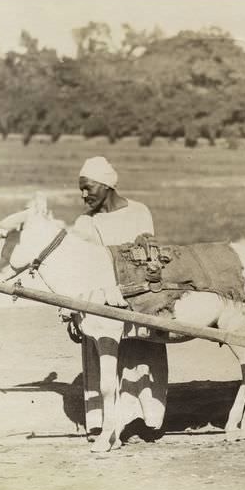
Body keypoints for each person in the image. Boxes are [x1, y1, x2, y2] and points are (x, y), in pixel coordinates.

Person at [71, 156, 168, 444]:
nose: (84, 195)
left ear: (106, 185)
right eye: (81, 190)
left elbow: (148, 253)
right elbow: (80, 268)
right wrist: (71, 312)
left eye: (88, 188)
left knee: (142, 356)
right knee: (103, 357)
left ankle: (143, 420)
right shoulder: (85, 223)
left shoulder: (139, 212)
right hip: (101, 301)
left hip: (137, 297)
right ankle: (103, 422)